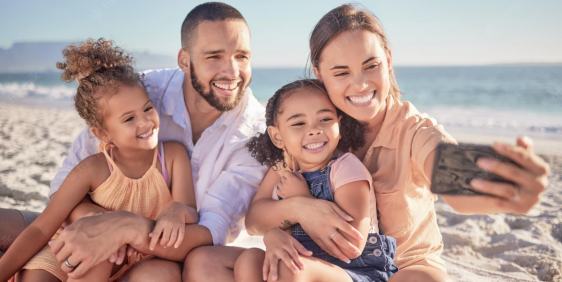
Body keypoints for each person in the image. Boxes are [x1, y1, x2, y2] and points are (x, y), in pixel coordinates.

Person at [241, 4, 550, 282]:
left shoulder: (414, 131)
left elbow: (453, 176)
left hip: (406, 269)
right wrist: (295, 213)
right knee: (215, 263)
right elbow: (255, 221)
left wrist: (506, 187)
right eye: (341, 72)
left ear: (387, 61)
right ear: (320, 75)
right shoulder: (316, 133)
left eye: (370, 65)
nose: (360, 84)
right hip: (326, 267)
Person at [0, 2, 268, 281]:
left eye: (242, 56)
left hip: (160, 253)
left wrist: (128, 229)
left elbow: (211, 233)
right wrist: (103, 224)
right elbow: (63, 187)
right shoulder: (140, 91)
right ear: (184, 60)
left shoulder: (254, 136)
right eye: (215, 56)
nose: (232, 71)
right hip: (81, 229)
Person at [0, 38, 198, 282]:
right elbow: (42, 228)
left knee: (108, 258)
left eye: (147, 109)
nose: (145, 122)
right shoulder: (93, 168)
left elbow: (190, 211)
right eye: (129, 119)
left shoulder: (173, 156)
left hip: (131, 263)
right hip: (70, 254)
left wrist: (177, 209)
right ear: (102, 133)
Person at [234, 79, 399, 282]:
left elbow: (351, 246)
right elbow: (254, 222)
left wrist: (304, 198)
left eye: (325, 119)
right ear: (277, 137)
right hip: (307, 268)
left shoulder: (346, 168)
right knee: (249, 260)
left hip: (358, 273)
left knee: (292, 270)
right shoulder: (284, 171)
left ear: (339, 124)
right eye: (298, 123)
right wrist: (274, 236)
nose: (314, 130)